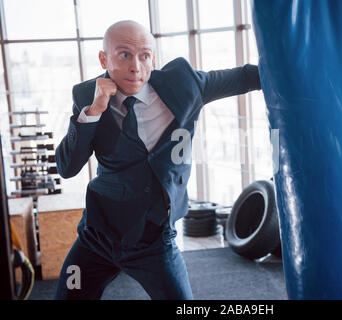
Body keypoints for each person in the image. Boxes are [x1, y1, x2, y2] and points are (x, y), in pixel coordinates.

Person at [54, 20, 261, 300]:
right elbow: (67, 167)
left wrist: (301, 70)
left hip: (154, 242)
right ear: (104, 58)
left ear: (154, 57)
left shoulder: (184, 85)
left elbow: (244, 77)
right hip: (96, 239)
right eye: (124, 54)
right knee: (68, 295)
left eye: (145, 55)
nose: (136, 67)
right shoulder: (85, 95)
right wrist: (94, 110)